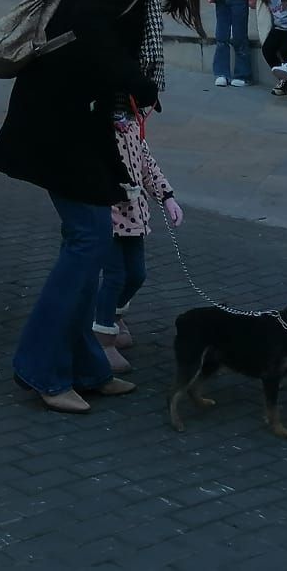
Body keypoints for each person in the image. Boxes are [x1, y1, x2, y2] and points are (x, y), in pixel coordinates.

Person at [0, 0, 202, 414]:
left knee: (93, 239)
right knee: (87, 240)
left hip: (79, 124)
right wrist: (137, 82)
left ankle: (87, 367)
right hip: (59, 123)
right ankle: (41, 368)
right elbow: (90, 30)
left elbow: (95, 44)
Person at [94, 101, 181, 375]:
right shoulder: (98, 126)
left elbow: (146, 165)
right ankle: (101, 337)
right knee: (115, 275)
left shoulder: (133, 126)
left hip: (133, 215)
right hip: (107, 211)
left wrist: (167, 197)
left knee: (137, 274)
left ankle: (114, 316)